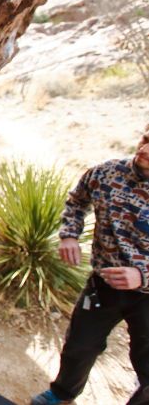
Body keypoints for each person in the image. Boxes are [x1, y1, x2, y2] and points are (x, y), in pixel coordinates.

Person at [32, 124, 149, 405]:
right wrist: (69, 235)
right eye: (146, 138)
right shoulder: (107, 173)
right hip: (103, 285)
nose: (145, 149)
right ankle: (61, 395)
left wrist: (143, 275)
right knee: (79, 347)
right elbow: (76, 201)